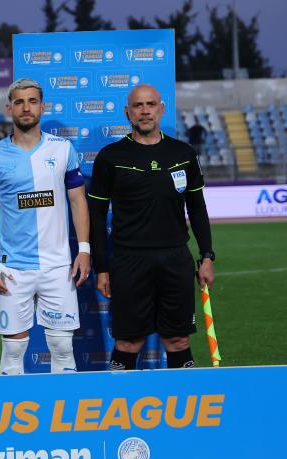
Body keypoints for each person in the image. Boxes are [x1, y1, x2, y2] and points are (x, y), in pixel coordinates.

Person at [88, 84, 215, 371]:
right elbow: (96, 215)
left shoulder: (183, 153)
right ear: (127, 112)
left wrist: (207, 256)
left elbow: (197, 208)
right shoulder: (110, 157)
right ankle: (120, 399)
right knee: (128, 342)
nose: (144, 111)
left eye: (150, 104)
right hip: (129, 260)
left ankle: (184, 398)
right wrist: (102, 268)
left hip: (175, 258)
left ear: (161, 109)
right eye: (138, 105)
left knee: (178, 341)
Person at [0, 78, 90, 375]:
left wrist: (84, 249)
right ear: (9, 108)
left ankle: (62, 405)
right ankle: (13, 405)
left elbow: (78, 200)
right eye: (19, 102)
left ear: (42, 106)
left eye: (32, 101)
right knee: (13, 350)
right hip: (12, 267)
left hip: (58, 265)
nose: (26, 108)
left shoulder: (62, 149)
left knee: (62, 347)